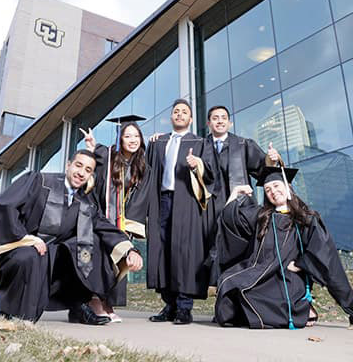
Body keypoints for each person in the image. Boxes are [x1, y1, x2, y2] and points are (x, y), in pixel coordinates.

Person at [0, 149, 143, 324]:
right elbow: (4, 206)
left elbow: (105, 228)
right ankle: (10, 311)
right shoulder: (39, 181)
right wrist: (27, 239)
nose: (81, 172)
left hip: (53, 259)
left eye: (87, 170)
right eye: (78, 165)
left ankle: (79, 306)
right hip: (22, 249)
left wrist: (130, 251)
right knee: (29, 256)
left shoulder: (86, 204)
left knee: (90, 244)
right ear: (68, 165)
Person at [215, 166, 353, 329]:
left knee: (253, 294)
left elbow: (324, 254)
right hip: (259, 272)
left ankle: (302, 309)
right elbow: (230, 218)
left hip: (286, 277)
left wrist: (302, 264)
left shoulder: (305, 218)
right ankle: (299, 311)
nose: (273, 191)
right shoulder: (262, 216)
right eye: (267, 189)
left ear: (287, 187)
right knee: (228, 281)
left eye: (276, 186)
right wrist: (236, 192)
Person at [147, 98, 214, 325]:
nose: (179, 114)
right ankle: (170, 304)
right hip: (162, 200)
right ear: (171, 117)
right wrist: (151, 141)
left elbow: (211, 174)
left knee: (184, 252)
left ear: (191, 118)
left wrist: (198, 164)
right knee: (163, 250)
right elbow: (146, 170)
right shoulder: (159, 142)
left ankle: (184, 307)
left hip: (185, 201)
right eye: (176, 111)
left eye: (184, 112)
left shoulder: (200, 142)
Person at [81, 118, 151, 322]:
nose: (132, 140)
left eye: (136, 136)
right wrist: (92, 145)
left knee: (118, 263)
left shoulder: (142, 165)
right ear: (120, 139)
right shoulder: (110, 155)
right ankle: (95, 300)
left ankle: (108, 303)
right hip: (104, 217)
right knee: (102, 260)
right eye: (127, 136)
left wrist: (131, 223)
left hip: (123, 220)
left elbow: (141, 196)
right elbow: (96, 159)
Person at [204, 105, 280, 287]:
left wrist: (273, 160)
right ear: (209, 123)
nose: (220, 120)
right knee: (214, 253)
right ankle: (222, 304)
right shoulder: (200, 146)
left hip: (239, 208)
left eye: (223, 117)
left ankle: (241, 302)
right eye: (215, 118)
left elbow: (264, 171)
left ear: (230, 123)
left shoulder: (243, 144)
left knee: (240, 253)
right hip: (209, 210)